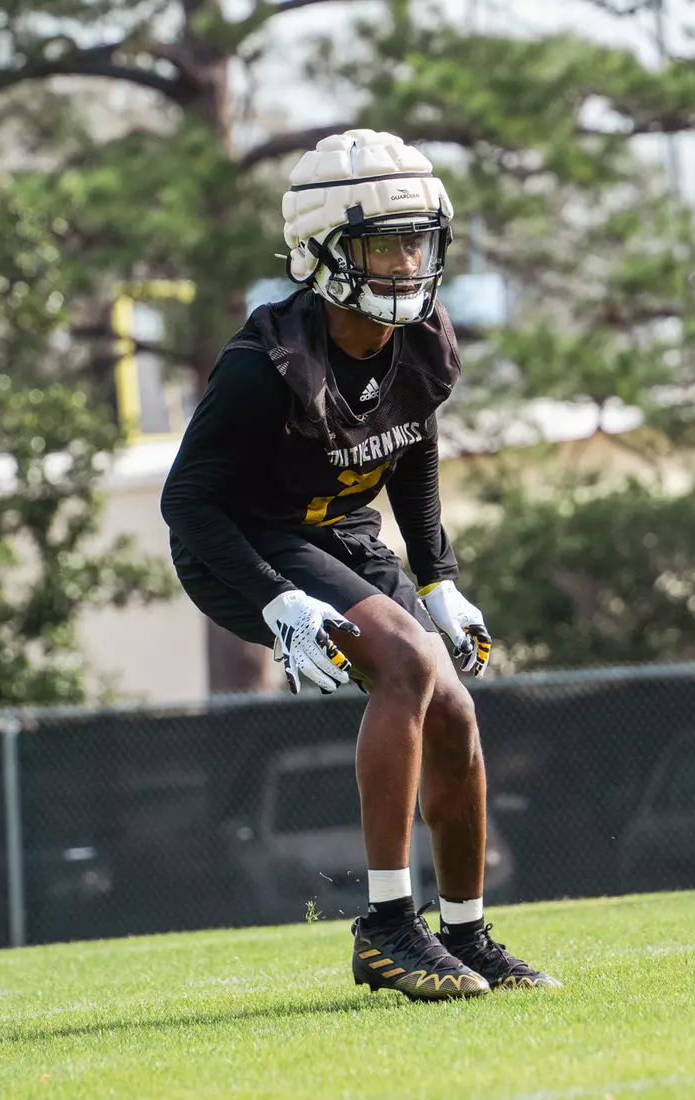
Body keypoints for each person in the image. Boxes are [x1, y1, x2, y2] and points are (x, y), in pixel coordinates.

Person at [161, 129, 560, 1000]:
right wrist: (276, 601)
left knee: (452, 708)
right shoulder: (262, 367)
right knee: (407, 662)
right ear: (321, 251)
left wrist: (439, 577)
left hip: (340, 534)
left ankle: (466, 934)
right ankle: (386, 928)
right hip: (245, 543)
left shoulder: (422, 338)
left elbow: (411, 447)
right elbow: (186, 504)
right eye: (385, 244)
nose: (407, 262)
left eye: (417, 241)